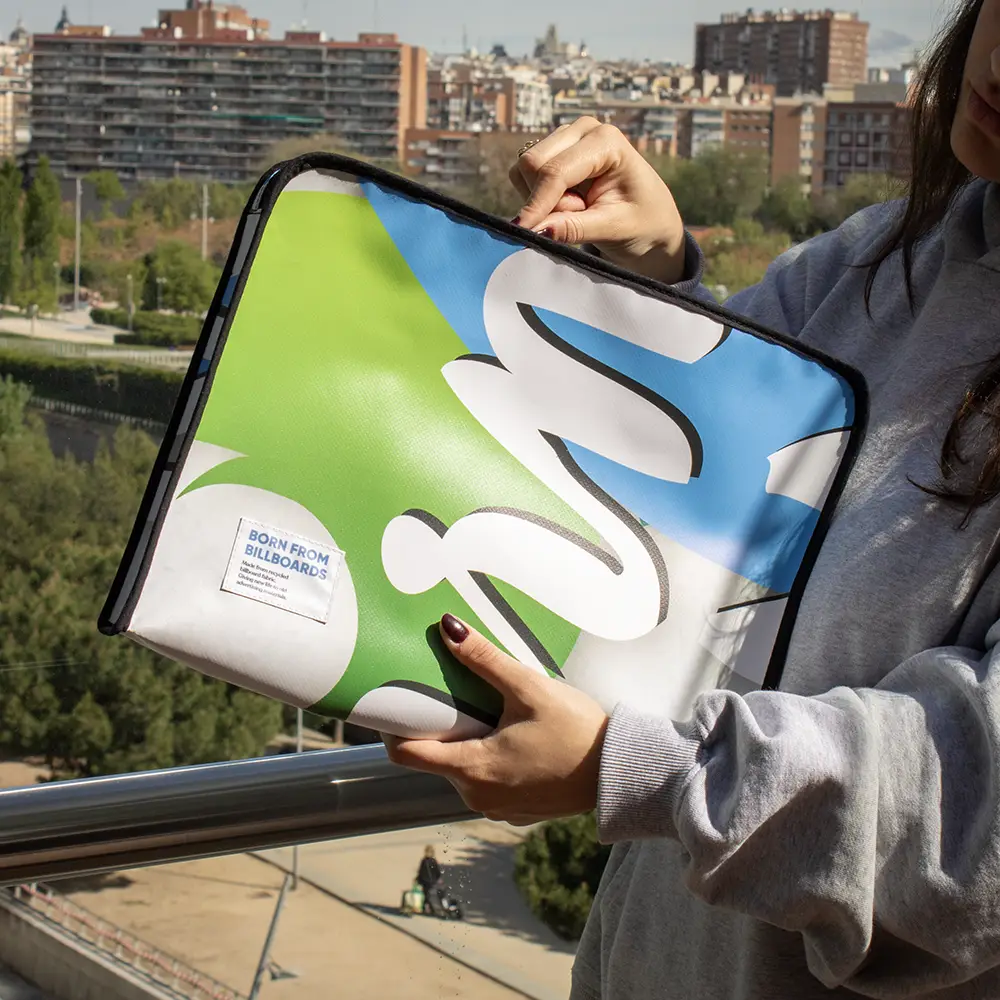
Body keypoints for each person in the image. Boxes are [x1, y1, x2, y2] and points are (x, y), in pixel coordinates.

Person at [385, 0, 1000, 996]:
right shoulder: (892, 253)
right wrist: (652, 274)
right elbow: (704, 476)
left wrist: (638, 771)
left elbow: (970, 811)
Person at [416, 845, 442, 914]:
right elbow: (437, 872)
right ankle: (429, 909)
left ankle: (430, 909)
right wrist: (438, 879)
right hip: (432, 881)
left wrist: (418, 879)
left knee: (427, 895)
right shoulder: (433, 861)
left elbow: (421, 871)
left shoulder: (424, 861)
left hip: (425, 881)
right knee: (428, 895)